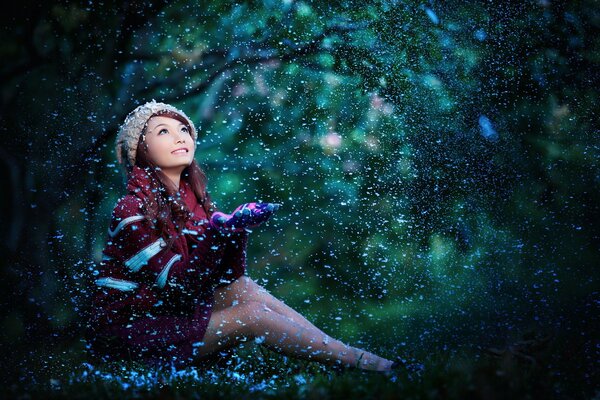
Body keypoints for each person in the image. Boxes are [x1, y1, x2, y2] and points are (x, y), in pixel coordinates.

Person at [85, 99, 406, 373]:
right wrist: (217, 233)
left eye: (184, 129)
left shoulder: (193, 202)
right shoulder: (130, 209)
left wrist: (237, 231)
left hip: (169, 313)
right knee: (251, 316)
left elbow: (229, 277)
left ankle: (351, 358)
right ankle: (363, 364)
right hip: (130, 334)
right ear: (140, 148)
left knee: (244, 288)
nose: (180, 137)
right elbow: (180, 285)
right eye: (163, 132)